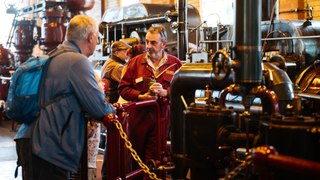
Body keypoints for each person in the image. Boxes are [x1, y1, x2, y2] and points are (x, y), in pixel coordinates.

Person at [28, 15, 115, 180]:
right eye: (97, 37)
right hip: (53, 148)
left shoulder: (56, 54)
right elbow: (98, 107)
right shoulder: (77, 61)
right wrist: (115, 110)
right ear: (91, 38)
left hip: (39, 141)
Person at [118, 24, 183, 174]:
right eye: (147, 42)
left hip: (163, 121)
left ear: (163, 44)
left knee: (157, 163)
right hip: (139, 121)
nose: (148, 46)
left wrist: (166, 93)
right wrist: (141, 96)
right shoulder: (135, 62)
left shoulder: (175, 64)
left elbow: (183, 91)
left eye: (153, 43)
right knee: (136, 163)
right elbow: (123, 88)